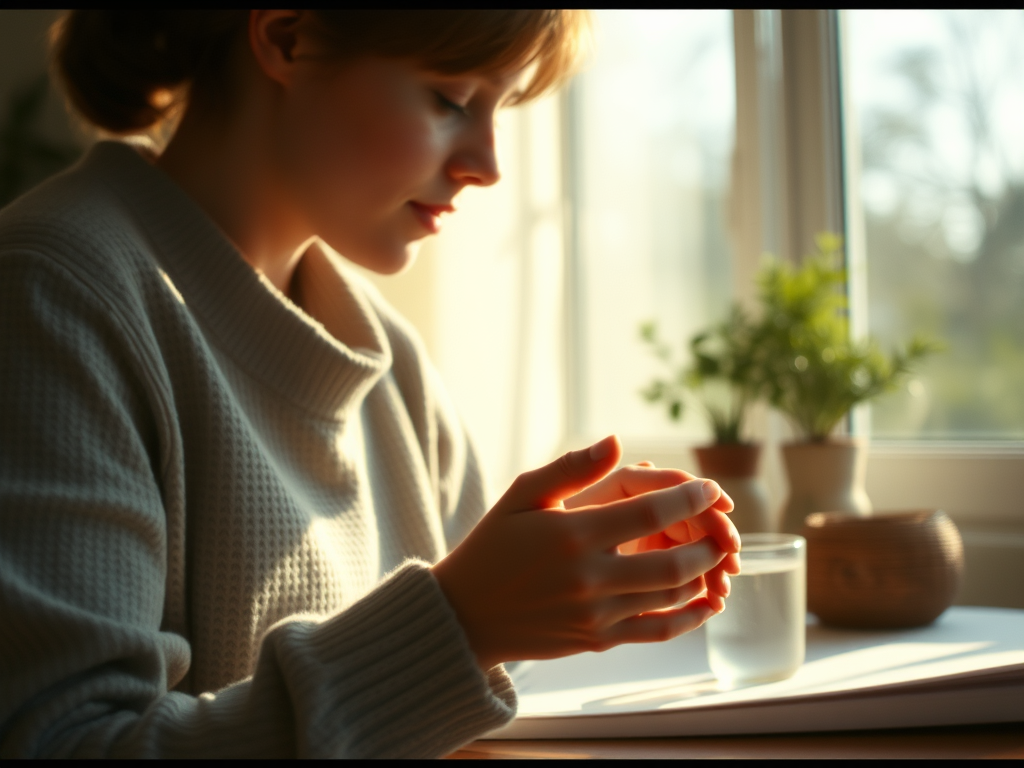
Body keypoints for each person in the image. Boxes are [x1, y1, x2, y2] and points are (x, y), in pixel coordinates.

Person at [0, 10, 740, 758]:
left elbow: (448, 688)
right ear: (288, 38)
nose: (488, 166)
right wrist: (463, 622)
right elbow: (64, 743)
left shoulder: (389, 362)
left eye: (503, 106)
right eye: (452, 99)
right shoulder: (53, 297)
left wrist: (545, 573)